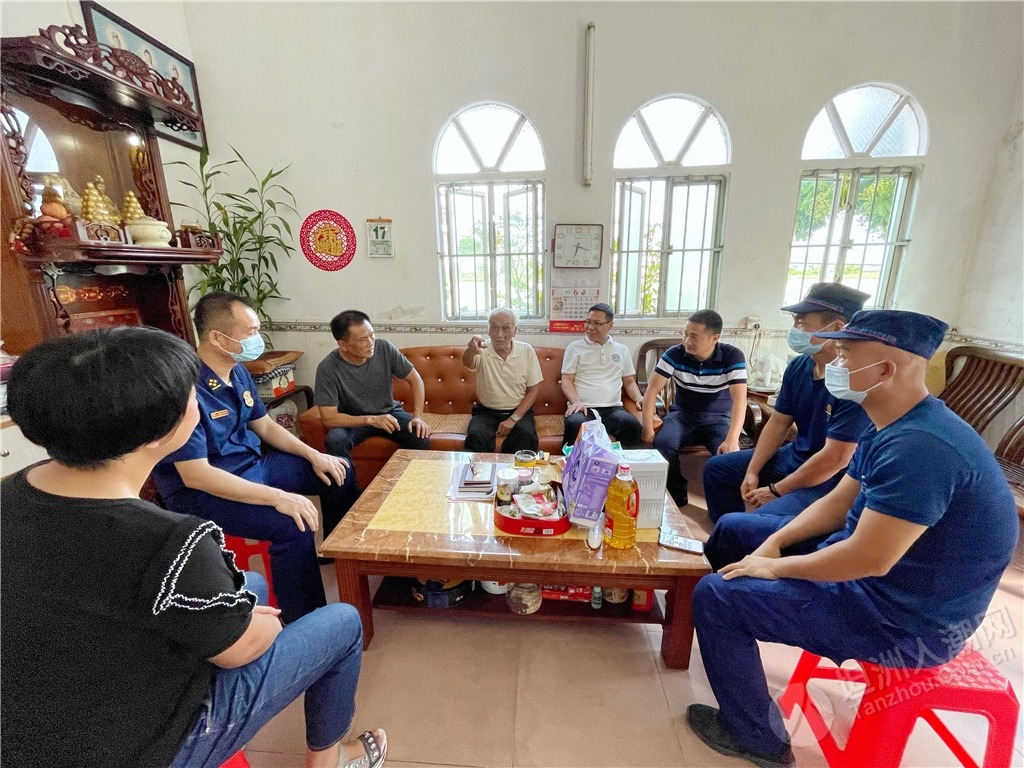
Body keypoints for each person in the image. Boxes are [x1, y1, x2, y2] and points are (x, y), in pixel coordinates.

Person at [1, 327, 386, 768]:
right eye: (190, 396)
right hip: (144, 746)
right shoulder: (171, 541)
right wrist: (264, 626)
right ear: (157, 433)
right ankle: (330, 758)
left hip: (35, 723)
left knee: (252, 584)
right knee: (341, 621)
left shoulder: (10, 492)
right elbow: (243, 648)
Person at [687, 310, 1018, 768]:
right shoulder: (893, 423)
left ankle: (757, 739)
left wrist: (775, 567)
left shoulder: (921, 448)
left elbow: (868, 558)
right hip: (880, 582)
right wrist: (774, 545)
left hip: (904, 620)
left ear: (885, 370)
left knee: (717, 597)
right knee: (736, 531)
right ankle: (734, 648)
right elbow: (840, 503)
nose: (835, 364)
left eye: (845, 355)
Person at [152, 291, 358, 625]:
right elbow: (196, 475)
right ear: (218, 337)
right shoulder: (184, 389)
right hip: (204, 491)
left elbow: (264, 425)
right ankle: (302, 619)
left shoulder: (237, 371)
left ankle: (337, 554)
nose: (257, 339)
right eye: (250, 332)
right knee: (293, 524)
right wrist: (278, 497)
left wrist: (315, 454)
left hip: (252, 466)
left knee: (338, 472)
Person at [702, 282, 872, 522]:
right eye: (795, 321)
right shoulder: (799, 366)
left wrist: (776, 490)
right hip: (795, 456)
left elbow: (836, 459)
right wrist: (753, 470)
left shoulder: (853, 381)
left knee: (761, 519)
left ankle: (742, 531)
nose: (794, 329)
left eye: (802, 323)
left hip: (833, 478)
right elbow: (778, 423)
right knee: (717, 468)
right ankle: (727, 530)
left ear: (837, 328)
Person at [641, 310, 748, 507]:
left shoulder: (732, 356)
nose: (687, 341)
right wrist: (647, 427)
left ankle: (724, 508)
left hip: (718, 419)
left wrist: (732, 439)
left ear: (715, 338)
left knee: (728, 456)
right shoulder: (674, 354)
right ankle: (676, 495)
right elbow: (651, 392)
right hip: (683, 415)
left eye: (694, 336)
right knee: (663, 444)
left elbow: (740, 400)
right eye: (685, 334)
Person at [316, 309, 431, 460]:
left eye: (372, 335)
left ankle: (404, 475)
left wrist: (417, 417)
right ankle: (348, 477)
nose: (371, 344)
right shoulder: (327, 368)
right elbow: (329, 418)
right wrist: (371, 419)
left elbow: (416, 380)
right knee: (335, 440)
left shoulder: (384, 348)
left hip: (389, 413)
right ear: (343, 345)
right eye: (362, 340)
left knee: (420, 436)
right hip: (352, 420)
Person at [560, 302, 645, 449]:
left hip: (613, 409)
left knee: (631, 425)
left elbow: (629, 381)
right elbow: (566, 381)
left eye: (597, 323)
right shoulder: (574, 348)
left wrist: (638, 398)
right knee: (575, 424)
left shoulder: (622, 350)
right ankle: (571, 463)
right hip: (583, 408)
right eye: (588, 322)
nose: (590, 327)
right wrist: (576, 402)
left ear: (610, 325)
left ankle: (622, 463)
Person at [462, 307, 544, 454]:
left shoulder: (526, 350)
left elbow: (533, 390)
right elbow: (468, 362)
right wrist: (471, 350)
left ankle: (514, 469)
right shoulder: (481, 350)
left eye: (505, 329)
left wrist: (513, 419)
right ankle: (481, 470)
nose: (499, 334)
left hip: (518, 411)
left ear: (515, 331)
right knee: (476, 436)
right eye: (494, 328)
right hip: (486, 411)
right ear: (488, 330)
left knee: (526, 436)